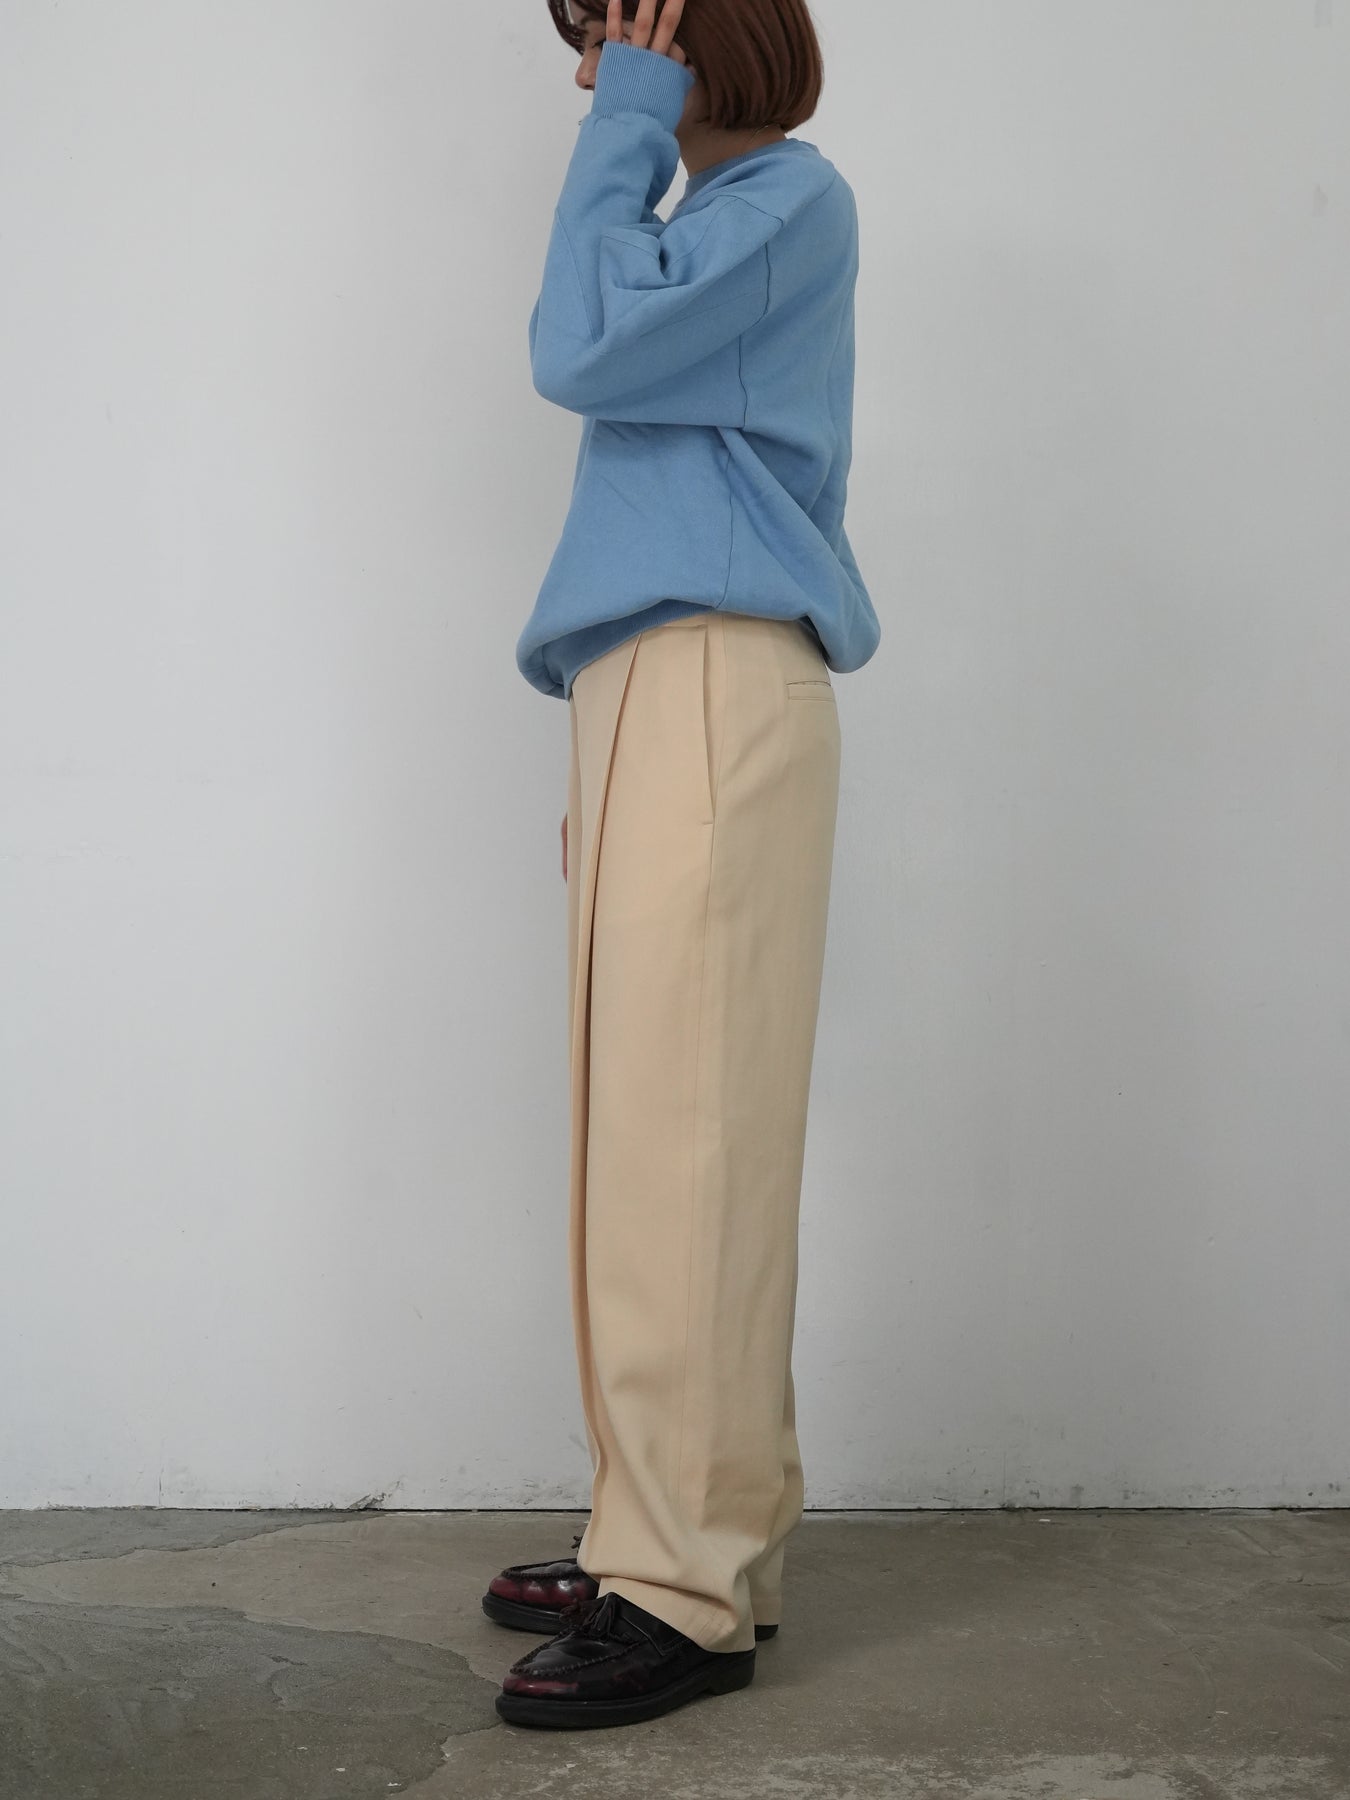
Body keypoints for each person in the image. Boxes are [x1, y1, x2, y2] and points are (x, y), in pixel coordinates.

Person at [486, 0, 880, 1729]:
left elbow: (576, 351)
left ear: (701, 30)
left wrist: (626, 124)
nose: (593, 72)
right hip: (656, 683)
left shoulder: (784, 201)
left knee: (689, 1148)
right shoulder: (706, 224)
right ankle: (672, 1528)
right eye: (586, 46)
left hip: (714, 676)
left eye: (619, 28)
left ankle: (685, 1584)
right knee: (646, 1141)